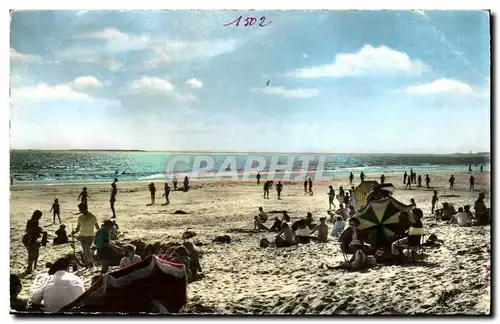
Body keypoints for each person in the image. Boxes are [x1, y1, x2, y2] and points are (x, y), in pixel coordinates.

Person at [72, 204, 99, 268]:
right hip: (82, 236)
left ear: (86, 208)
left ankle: (91, 262)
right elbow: (78, 228)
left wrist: (100, 234)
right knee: (85, 250)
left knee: (87, 249)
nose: (80, 210)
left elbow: (97, 226)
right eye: (80, 209)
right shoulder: (80, 217)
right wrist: (74, 232)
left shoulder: (92, 217)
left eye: (81, 209)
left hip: (90, 236)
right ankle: (87, 263)